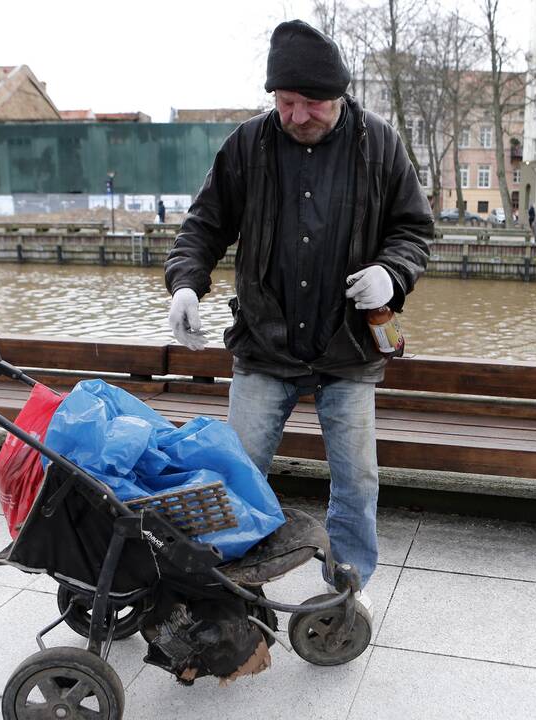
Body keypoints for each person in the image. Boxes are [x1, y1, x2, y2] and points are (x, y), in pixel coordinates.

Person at [165, 19, 432, 614]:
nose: (297, 115)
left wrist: (392, 271)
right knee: (237, 474)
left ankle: (345, 590)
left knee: (357, 483)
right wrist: (185, 284)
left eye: (310, 104)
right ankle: (229, 586)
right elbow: (203, 227)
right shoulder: (247, 145)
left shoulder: (380, 145)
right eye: (285, 103)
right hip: (265, 345)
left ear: (338, 95)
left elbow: (413, 231)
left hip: (348, 352)